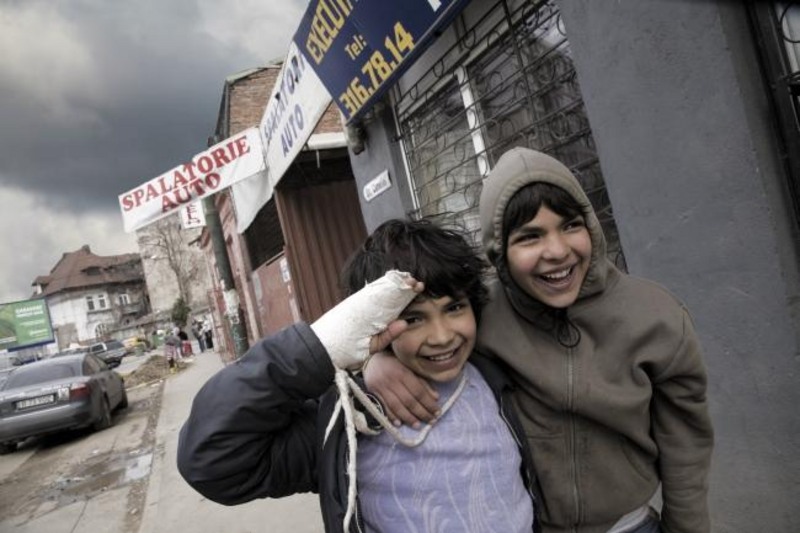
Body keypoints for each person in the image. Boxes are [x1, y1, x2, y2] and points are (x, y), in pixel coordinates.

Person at [365, 148, 715, 533]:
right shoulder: (482, 314)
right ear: (500, 250)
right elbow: (424, 332)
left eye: (571, 226)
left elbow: (685, 442)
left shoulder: (656, 316)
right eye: (530, 237)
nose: (558, 251)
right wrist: (375, 361)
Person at [177, 219, 539, 533]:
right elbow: (210, 460)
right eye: (413, 318)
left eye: (455, 307)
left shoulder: (494, 375)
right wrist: (320, 349)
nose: (443, 336)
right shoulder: (347, 418)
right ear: (375, 323)